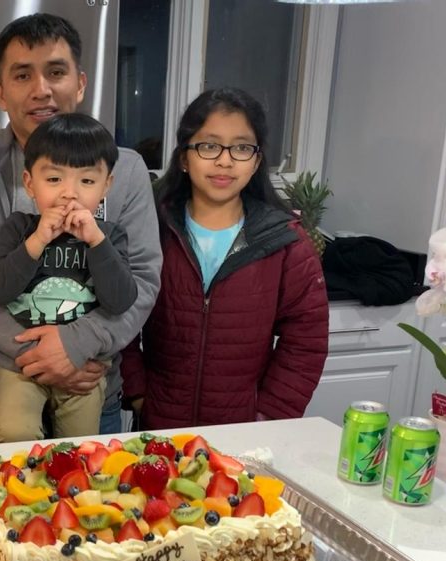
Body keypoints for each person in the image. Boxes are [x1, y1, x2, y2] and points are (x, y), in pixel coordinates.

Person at [0, 12, 161, 447]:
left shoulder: (126, 168)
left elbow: (142, 284)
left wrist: (76, 347)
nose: (41, 89)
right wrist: (44, 357)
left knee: (87, 510)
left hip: (91, 391)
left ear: (79, 82)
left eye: (55, 72)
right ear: (1, 93)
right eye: (23, 75)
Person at [120, 87, 328, 428]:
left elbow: (306, 341)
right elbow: (121, 311)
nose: (225, 160)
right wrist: (139, 392)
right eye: (209, 145)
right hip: (158, 426)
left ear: (257, 160)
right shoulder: (150, 229)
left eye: (242, 147)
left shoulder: (285, 241)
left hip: (243, 433)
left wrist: (268, 415)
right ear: (185, 158)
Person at [0, 113, 136, 441]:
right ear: (29, 183)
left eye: (86, 181)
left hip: (85, 366)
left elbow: (122, 300)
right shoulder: (18, 228)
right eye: (54, 180)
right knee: (14, 434)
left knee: (79, 449)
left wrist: (97, 242)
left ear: (106, 185)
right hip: (23, 365)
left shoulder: (110, 235)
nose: (70, 194)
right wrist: (37, 240)